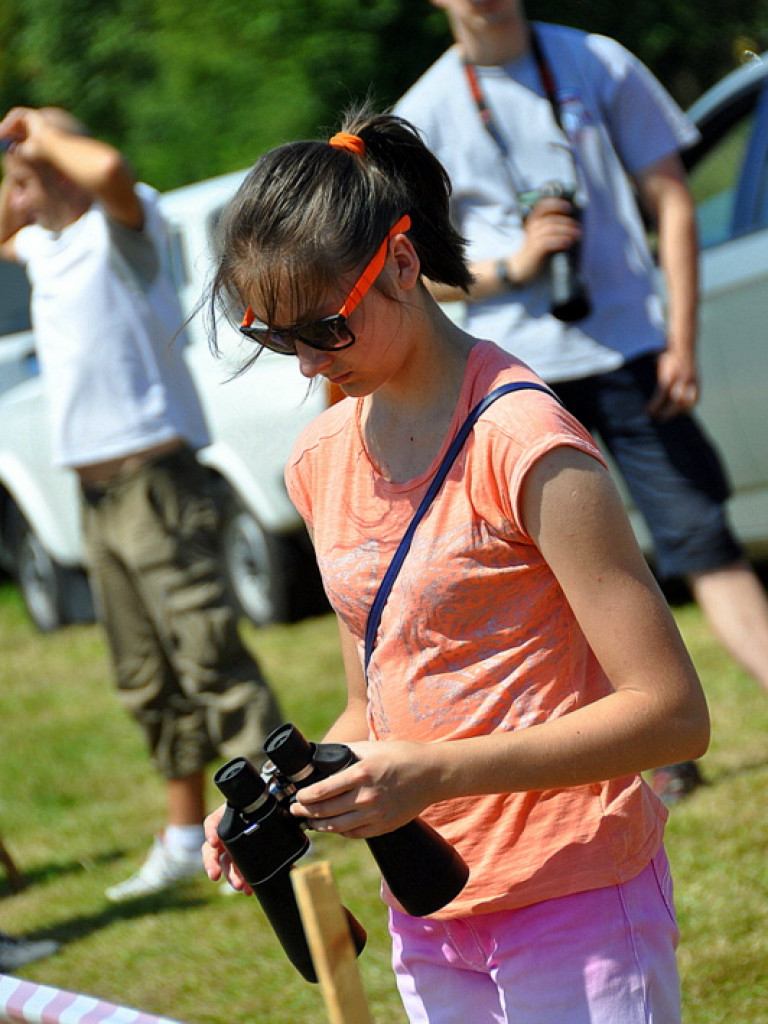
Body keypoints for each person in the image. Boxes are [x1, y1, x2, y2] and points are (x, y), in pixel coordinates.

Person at [200, 105, 710, 1023]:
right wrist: (287, 801)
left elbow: (671, 716)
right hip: (428, 907)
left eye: (327, 328)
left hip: (575, 892)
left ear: (401, 263)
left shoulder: (526, 440)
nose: (309, 367)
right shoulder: (319, 462)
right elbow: (374, 707)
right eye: (276, 338)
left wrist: (433, 774)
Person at [393, 0, 768, 804]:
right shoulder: (421, 113)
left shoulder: (596, 61)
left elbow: (669, 197)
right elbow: (412, 272)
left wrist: (682, 336)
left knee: (705, 542)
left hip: (632, 348)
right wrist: (515, 266)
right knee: (557, 578)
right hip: (513, 380)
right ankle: (650, 754)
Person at [0, 107, 283, 902]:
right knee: (145, 675)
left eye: (42, 162)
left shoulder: (121, 231)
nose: (27, 184)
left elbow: (115, 171)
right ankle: (183, 832)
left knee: (210, 658)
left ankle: (278, 822)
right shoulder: (45, 249)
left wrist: (42, 134)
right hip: (95, 493)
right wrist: (17, 165)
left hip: (157, 481)